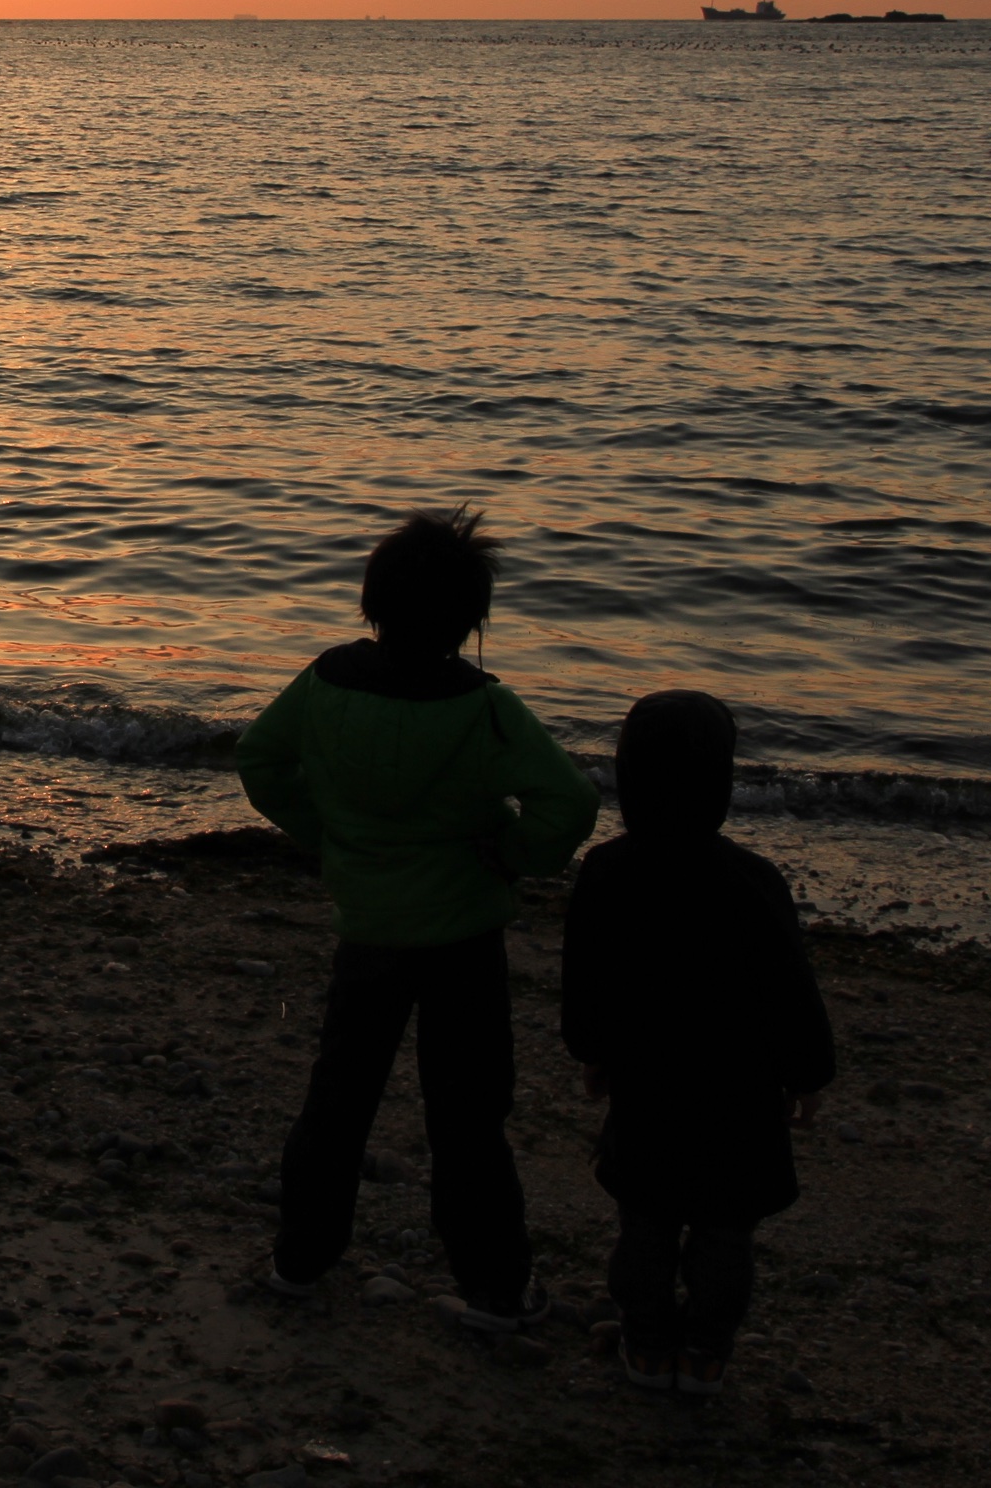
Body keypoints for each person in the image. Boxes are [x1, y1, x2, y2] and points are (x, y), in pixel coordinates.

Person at [236, 508, 600, 1331]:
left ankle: (299, 1261)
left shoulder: (328, 681)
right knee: (469, 1118)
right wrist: (515, 852)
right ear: (473, 621)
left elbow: (260, 757)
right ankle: (497, 1289)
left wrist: (325, 834)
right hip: (464, 936)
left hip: (367, 927)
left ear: (373, 603)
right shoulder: (483, 707)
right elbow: (570, 802)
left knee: (338, 1098)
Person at [562, 688, 836, 1397]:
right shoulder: (753, 881)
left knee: (645, 1226)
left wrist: (593, 1050)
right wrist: (807, 1075)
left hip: (648, 1086)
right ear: (722, 782)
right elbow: (790, 993)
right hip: (740, 1096)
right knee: (724, 1234)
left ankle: (649, 1345)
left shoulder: (607, 872)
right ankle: (705, 1352)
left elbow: (587, 980)